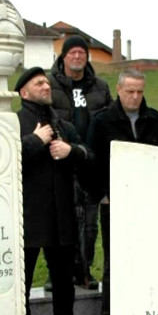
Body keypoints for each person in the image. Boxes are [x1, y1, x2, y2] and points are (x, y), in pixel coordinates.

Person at [86, 68, 158, 315]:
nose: (135, 97)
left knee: (149, 260)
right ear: (118, 90)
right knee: (113, 264)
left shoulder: (156, 120)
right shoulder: (101, 121)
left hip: (147, 205)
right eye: (130, 91)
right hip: (115, 205)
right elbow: (91, 164)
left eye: (140, 91)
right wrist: (102, 195)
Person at [16, 67, 92, 315]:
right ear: (24, 92)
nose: (46, 86)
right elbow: (3, 160)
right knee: (21, 282)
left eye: (47, 82)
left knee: (64, 283)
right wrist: (35, 141)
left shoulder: (62, 122)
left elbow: (88, 156)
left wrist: (71, 150)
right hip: (29, 217)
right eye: (39, 83)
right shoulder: (14, 122)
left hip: (61, 217)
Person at [49, 36, 111, 291]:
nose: (77, 57)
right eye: (72, 52)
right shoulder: (49, 85)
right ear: (63, 57)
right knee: (59, 221)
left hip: (90, 164)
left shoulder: (101, 87)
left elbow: (108, 121)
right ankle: (57, 274)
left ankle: (84, 272)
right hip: (60, 163)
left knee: (89, 223)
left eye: (82, 53)